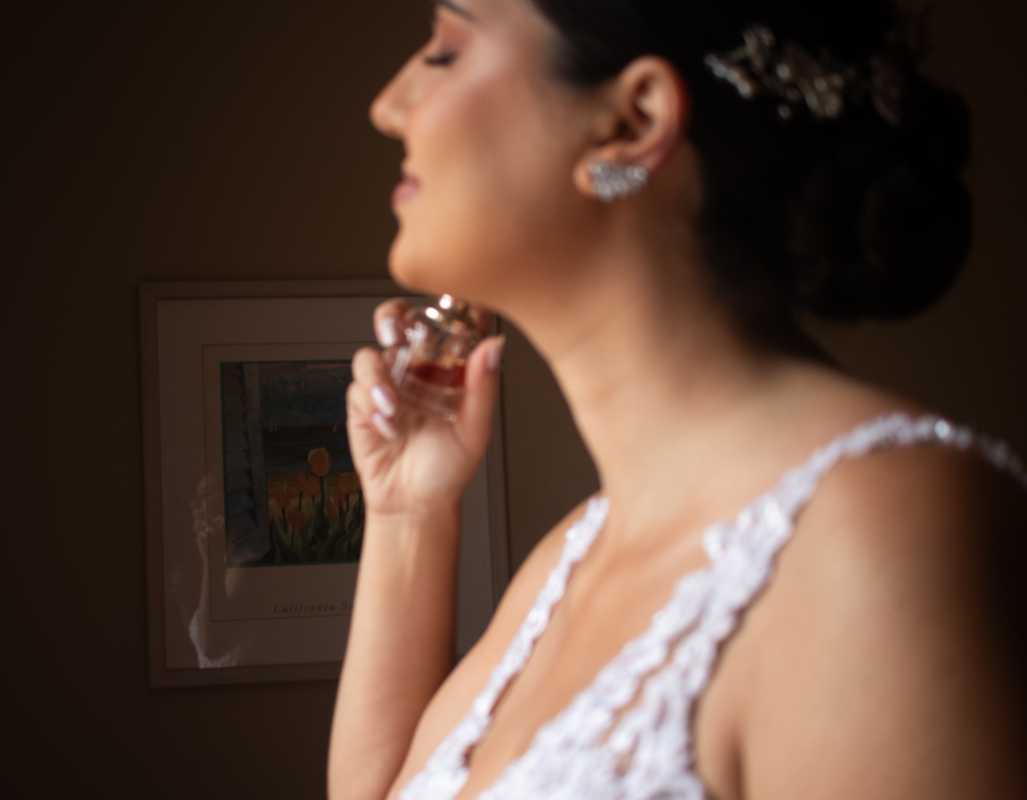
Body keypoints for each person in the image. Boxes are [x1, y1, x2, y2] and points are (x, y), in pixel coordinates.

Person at [327, 1, 1027, 798]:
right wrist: (409, 515)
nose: (388, 106)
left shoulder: (878, 533)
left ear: (633, 122)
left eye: (449, 50)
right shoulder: (571, 560)